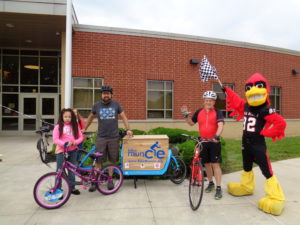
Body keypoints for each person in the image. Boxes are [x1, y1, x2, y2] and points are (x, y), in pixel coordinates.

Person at [223, 73, 286, 215]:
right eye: (249, 88)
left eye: (258, 86)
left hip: (258, 145)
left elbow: (280, 123)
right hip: (246, 143)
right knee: (246, 166)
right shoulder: (246, 106)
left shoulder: (265, 109)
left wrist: (267, 133)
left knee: (267, 171)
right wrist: (227, 91)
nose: (253, 91)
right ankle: (246, 187)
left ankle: (277, 198)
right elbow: (236, 102)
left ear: (266, 89)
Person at [84, 85, 133, 192]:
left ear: (111, 94)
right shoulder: (96, 106)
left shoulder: (116, 104)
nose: (106, 95)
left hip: (113, 137)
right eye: (104, 93)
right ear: (101, 95)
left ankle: (110, 179)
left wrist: (128, 129)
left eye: (108, 93)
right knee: (98, 160)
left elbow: (123, 117)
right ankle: (95, 180)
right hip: (101, 137)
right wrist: (84, 129)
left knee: (112, 160)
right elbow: (90, 118)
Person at [181, 90, 224, 200]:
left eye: (210, 100)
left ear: (214, 102)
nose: (208, 102)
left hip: (214, 142)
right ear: (204, 101)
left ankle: (218, 188)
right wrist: (186, 116)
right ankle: (210, 183)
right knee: (207, 164)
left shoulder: (218, 112)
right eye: (206, 100)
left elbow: (220, 125)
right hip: (203, 142)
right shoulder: (199, 111)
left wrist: (217, 136)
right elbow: (191, 123)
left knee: (215, 165)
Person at [53, 108, 84, 195]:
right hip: (61, 151)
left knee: (72, 170)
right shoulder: (58, 127)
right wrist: (64, 144)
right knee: (60, 171)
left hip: (73, 151)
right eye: (65, 116)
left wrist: (75, 142)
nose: (67, 118)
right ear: (62, 117)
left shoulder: (75, 126)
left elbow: (81, 137)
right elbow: (55, 139)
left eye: (69, 117)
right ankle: (58, 189)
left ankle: (72, 187)